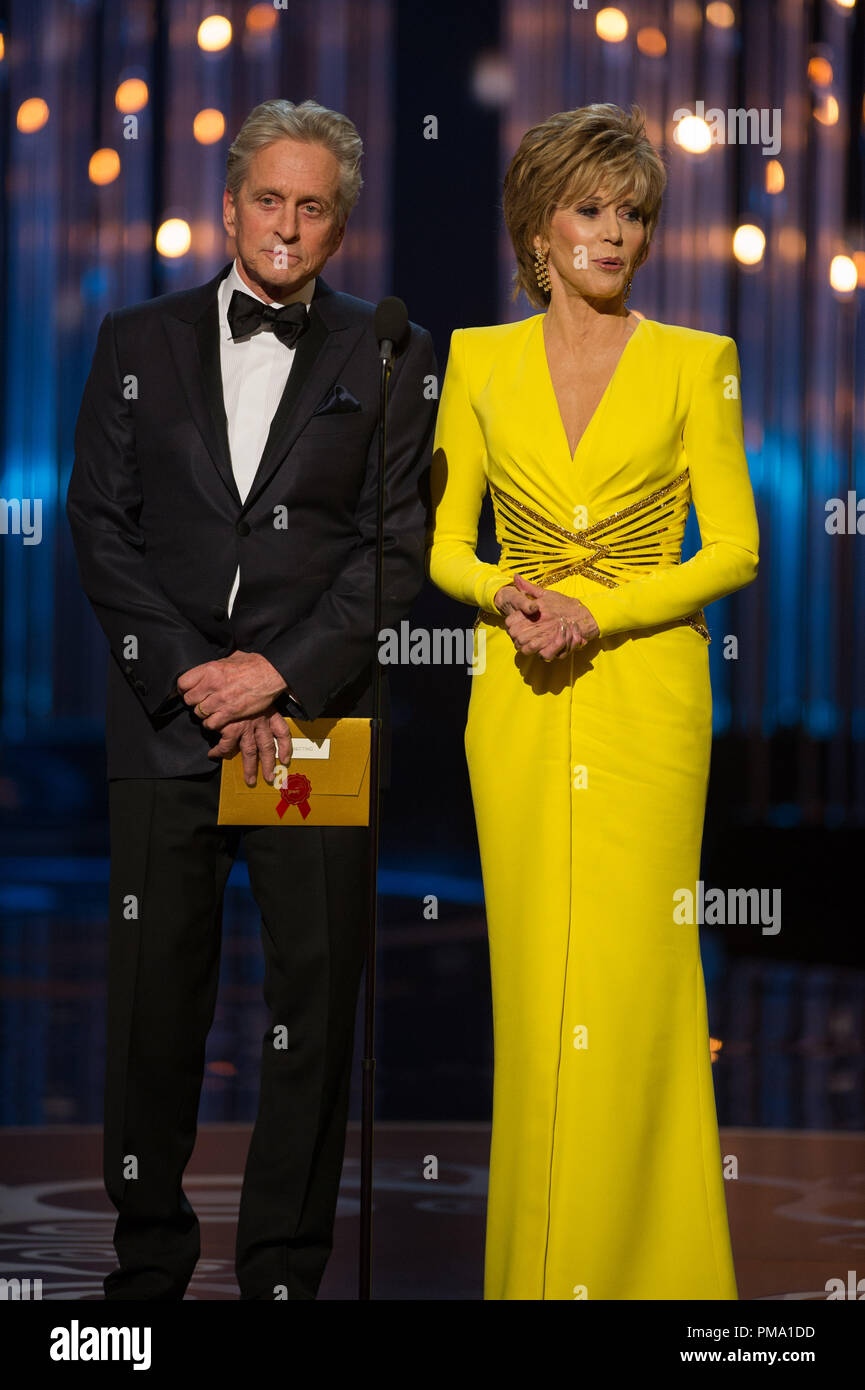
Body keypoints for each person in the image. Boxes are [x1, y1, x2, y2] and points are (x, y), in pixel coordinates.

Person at [66, 97, 436, 1300]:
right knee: (152, 1006)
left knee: (312, 1015)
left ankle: (282, 1272)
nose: (287, 223)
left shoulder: (387, 352)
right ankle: (149, 1267)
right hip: (170, 721)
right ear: (229, 208)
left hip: (315, 728)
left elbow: (394, 545)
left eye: (312, 205)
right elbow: (100, 528)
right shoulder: (135, 338)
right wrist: (205, 680)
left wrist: (278, 674)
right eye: (267, 199)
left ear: (340, 226)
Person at [426, 103, 759, 1300]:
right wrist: (507, 591)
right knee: (535, 992)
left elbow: (734, 550)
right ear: (538, 222)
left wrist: (599, 609)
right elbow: (437, 548)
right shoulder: (475, 358)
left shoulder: (694, 361)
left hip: (645, 698)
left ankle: (654, 1280)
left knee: (637, 985)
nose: (612, 234)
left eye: (631, 214)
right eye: (589, 208)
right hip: (516, 695)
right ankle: (537, 1274)